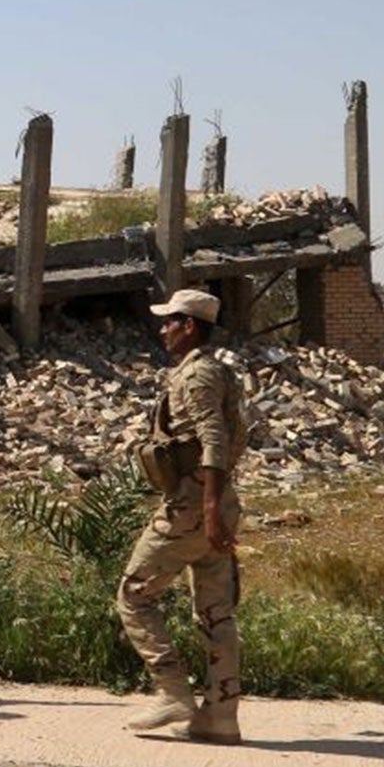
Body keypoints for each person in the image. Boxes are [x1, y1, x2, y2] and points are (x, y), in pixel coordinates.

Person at [118, 288, 248, 742]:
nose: (163, 329)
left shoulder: (195, 376)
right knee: (216, 613)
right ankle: (220, 716)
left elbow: (213, 440)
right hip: (216, 502)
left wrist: (208, 510)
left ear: (189, 326)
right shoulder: (217, 371)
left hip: (194, 505)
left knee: (134, 594)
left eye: (170, 321)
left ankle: (173, 692)